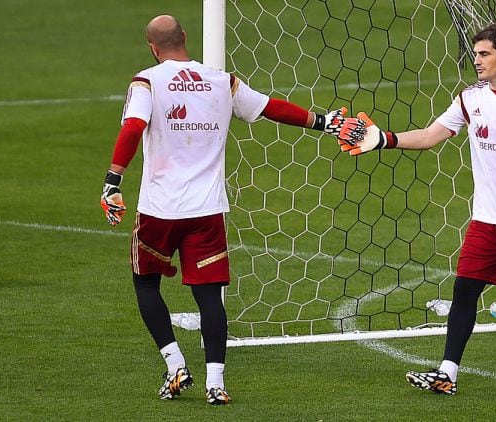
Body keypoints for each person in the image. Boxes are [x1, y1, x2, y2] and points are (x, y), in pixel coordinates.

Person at [99, 15, 363, 405]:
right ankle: (216, 382)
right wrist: (323, 121)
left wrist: (112, 181)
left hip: (159, 209)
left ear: (153, 48)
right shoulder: (222, 81)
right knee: (209, 296)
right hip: (207, 211)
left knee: (145, 284)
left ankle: (175, 365)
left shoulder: (147, 80)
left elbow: (133, 127)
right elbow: (271, 108)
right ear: (185, 38)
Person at [341, 23, 496, 395]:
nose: (477, 61)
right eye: (475, 54)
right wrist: (384, 139)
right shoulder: (470, 98)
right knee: (465, 290)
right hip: (487, 219)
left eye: (485, 54)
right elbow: (429, 136)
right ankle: (447, 373)